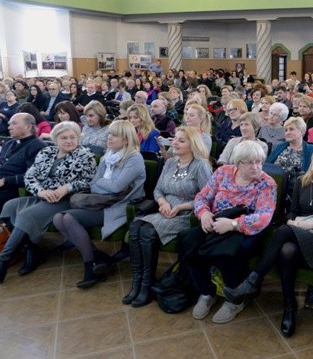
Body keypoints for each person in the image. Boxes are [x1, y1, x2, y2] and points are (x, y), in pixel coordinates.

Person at [224, 142, 313, 337]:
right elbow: (292, 212)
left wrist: (309, 225)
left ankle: (253, 281)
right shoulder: (301, 181)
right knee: (286, 250)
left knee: (283, 232)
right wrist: (294, 221)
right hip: (298, 232)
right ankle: (289, 307)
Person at [0, 122, 96, 283]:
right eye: (64, 138)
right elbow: (30, 177)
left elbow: (88, 181)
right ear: (55, 139)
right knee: (10, 206)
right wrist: (40, 191)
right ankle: (31, 251)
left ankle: (1, 263)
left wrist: (66, 188)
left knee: (28, 214)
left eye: (73, 137)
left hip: (67, 199)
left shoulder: (84, 155)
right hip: (43, 195)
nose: (69, 141)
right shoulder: (47, 152)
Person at [180, 140, 276, 324]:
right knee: (188, 245)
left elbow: (264, 216)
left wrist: (233, 224)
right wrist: (204, 213)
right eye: (250, 162)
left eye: (259, 162)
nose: (256, 167)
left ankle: (235, 300)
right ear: (238, 163)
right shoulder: (223, 173)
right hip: (215, 223)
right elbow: (202, 197)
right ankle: (207, 292)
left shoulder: (267, 183)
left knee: (230, 253)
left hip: (245, 231)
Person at [122, 126, 212, 307]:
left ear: (192, 144)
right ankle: (137, 282)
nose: (175, 143)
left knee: (147, 231)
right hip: (165, 210)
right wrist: (163, 202)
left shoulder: (200, 165)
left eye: (181, 140)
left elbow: (208, 198)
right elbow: (158, 189)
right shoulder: (171, 163)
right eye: (175, 139)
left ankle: (147, 285)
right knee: (135, 227)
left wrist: (179, 207)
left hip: (187, 215)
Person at [52, 120, 146, 288]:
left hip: (120, 206)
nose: (109, 138)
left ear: (126, 139)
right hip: (101, 202)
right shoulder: (107, 156)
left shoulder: (134, 158)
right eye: (109, 133)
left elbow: (116, 188)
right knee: (58, 218)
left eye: (114, 135)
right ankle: (98, 257)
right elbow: (94, 184)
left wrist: (103, 184)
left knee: (67, 219)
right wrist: (106, 185)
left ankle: (90, 265)